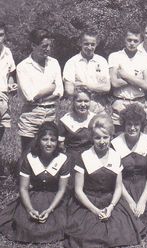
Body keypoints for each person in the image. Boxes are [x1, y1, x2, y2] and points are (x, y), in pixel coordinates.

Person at [65, 114, 144, 247]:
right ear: (92, 138)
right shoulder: (83, 157)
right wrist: (95, 210)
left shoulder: (115, 156)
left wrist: (111, 206)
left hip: (110, 200)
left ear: (111, 137)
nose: (102, 141)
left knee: (120, 230)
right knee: (87, 234)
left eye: (105, 137)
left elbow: (118, 187)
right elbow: (78, 191)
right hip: (88, 202)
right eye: (97, 137)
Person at [0, 122, 70, 243]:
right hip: (33, 196)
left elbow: (61, 189)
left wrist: (49, 210)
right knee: (25, 226)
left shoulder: (62, 159)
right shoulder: (30, 158)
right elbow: (23, 188)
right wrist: (29, 209)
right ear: (38, 140)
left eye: (53, 140)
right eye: (45, 139)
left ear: (57, 142)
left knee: (60, 225)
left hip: (54, 199)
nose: (49, 143)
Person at [111, 103, 147, 230]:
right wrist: (130, 201)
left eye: (136, 124)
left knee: (145, 216)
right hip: (123, 186)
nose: (132, 128)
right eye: (129, 124)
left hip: (144, 187)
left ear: (141, 125)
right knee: (124, 217)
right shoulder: (115, 144)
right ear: (124, 125)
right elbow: (116, 177)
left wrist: (142, 200)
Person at [17, 29, 64, 154]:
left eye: (49, 46)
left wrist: (40, 96)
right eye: (44, 46)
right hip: (31, 115)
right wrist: (51, 88)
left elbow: (60, 91)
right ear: (33, 45)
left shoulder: (54, 63)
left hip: (50, 114)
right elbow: (29, 96)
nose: (48, 49)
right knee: (27, 154)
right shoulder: (23, 66)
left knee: (47, 154)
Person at [108, 23, 147, 133]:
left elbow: (146, 85)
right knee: (118, 140)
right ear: (124, 39)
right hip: (120, 103)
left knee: (140, 142)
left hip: (139, 103)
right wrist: (137, 79)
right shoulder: (114, 56)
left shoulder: (145, 58)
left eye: (135, 41)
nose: (132, 43)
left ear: (140, 40)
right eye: (129, 40)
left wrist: (125, 76)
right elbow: (114, 83)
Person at [63, 29, 110, 113]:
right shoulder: (72, 62)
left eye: (92, 44)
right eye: (86, 44)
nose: (89, 47)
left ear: (97, 44)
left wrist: (84, 85)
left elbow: (106, 87)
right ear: (80, 43)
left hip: (99, 107)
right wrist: (97, 87)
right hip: (79, 107)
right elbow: (69, 90)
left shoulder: (102, 61)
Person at [58, 87, 95, 189]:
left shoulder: (95, 119)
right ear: (73, 102)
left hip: (91, 156)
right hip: (72, 159)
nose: (83, 104)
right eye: (79, 101)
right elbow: (60, 146)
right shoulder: (65, 120)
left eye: (86, 101)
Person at [0, 22, 16, 177]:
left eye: (1, 35)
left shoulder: (8, 52)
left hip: (2, 99)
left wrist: (11, 85)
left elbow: (10, 74)